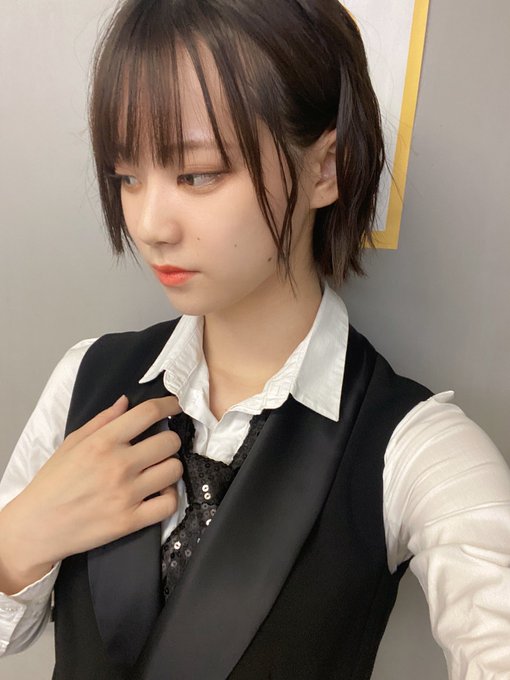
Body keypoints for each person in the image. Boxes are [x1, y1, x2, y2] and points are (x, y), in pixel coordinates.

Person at [1, 0, 509, 678]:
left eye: (198, 174)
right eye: (127, 176)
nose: (149, 225)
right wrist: (18, 539)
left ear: (323, 169)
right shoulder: (86, 377)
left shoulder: (413, 449)